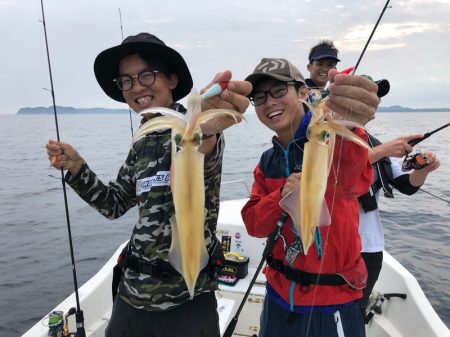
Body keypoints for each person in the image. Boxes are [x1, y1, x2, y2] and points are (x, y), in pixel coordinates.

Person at [46, 32, 251, 337]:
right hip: (133, 295)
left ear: (171, 80)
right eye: (126, 81)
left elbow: (204, 145)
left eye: (145, 75)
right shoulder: (142, 141)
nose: (136, 87)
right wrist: (78, 169)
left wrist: (204, 125)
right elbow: (114, 204)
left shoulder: (191, 128)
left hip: (187, 297)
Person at [241, 57, 379, 337]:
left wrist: (350, 124)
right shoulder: (267, 162)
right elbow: (255, 225)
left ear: (303, 92)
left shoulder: (333, 138)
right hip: (278, 297)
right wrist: (282, 194)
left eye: (279, 91)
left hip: (333, 303)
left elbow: (355, 181)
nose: (269, 102)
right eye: (259, 97)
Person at [358, 81, 441, 316]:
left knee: (356, 311)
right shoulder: (326, 140)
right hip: (335, 246)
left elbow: (406, 186)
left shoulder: (378, 144)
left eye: (375, 97)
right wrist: (382, 151)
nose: (372, 101)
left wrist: (423, 169)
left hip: (370, 246)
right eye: (364, 94)